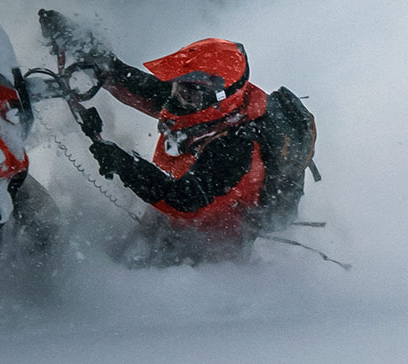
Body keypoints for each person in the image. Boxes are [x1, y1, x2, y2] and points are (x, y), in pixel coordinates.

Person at [66, 34, 312, 243]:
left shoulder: (237, 145)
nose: (179, 98)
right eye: (178, 87)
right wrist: (93, 54)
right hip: (179, 216)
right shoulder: (202, 105)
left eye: (190, 93)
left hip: (215, 242)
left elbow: (186, 199)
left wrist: (126, 164)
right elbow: (144, 89)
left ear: (219, 99)